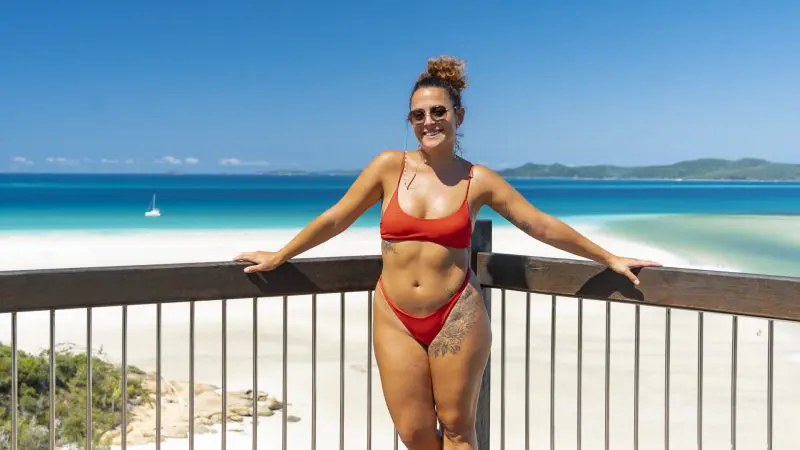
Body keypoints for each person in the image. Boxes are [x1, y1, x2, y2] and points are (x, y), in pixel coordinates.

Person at [235, 55, 660, 450]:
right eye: (419, 115)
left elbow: (540, 224)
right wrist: (281, 255)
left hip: (456, 312)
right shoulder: (388, 166)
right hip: (395, 314)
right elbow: (336, 218)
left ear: (459, 115)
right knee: (414, 431)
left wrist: (608, 258)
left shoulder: (479, 180)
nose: (429, 121)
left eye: (439, 111)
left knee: (458, 428)